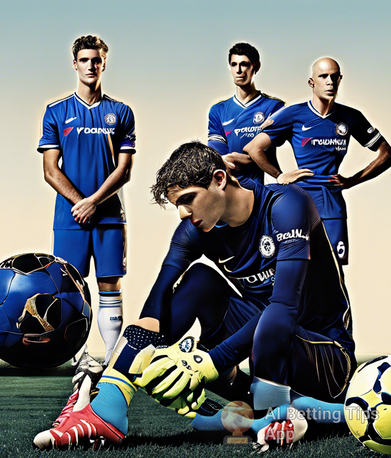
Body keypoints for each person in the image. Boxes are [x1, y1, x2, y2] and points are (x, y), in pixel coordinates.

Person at [32, 141, 357, 450]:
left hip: (325, 358)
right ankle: (105, 414)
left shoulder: (288, 205)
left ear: (219, 179)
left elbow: (285, 307)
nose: (183, 213)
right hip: (261, 354)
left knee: (271, 322)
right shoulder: (196, 229)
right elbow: (156, 303)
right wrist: (126, 370)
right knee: (198, 283)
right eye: (178, 205)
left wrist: (209, 361)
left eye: (188, 199)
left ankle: (297, 414)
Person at [37, 35, 135, 365]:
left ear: (104, 63)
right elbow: (51, 170)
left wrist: (94, 201)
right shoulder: (55, 111)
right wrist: (81, 203)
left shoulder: (121, 112)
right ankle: (79, 355)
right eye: (84, 60)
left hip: (109, 216)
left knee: (109, 284)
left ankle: (109, 358)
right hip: (70, 218)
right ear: (74, 64)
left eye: (96, 60)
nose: (91, 66)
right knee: (70, 288)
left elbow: (124, 170)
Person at [244, 57, 391, 266]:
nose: (330, 81)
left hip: (333, 206)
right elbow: (253, 148)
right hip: (299, 204)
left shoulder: (351, 117)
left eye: (334, 77)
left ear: (340, 79)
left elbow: (388, 154)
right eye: (323, 76)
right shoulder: (294, 114)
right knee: (298, 272)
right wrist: (279, 175)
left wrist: (352, 180)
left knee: (334, 276)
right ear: (311, 82)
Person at [206, 42, 285, 186]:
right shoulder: (218, 110)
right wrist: (231, 158)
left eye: (244, 64)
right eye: (234, 64)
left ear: (256, 66)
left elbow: (262, 151)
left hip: (266, 185)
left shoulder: (274, 107)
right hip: (231, 187)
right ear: (229, 67)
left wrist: (242, 156)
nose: (239, 70)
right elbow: (219, 157)